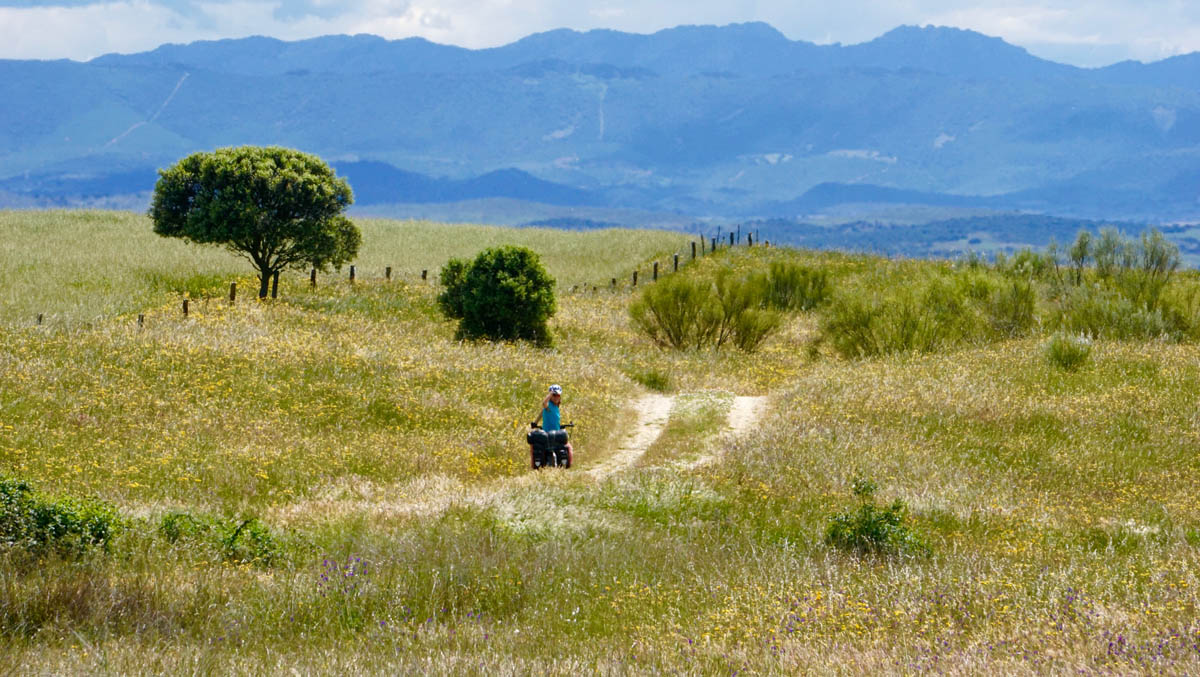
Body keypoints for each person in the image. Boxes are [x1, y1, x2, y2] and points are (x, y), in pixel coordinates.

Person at [531, 384, 572, 461]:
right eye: (554, 395)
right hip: (547, 432)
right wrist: (550, 394)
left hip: (556, 431)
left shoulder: (555, 406)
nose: (556, 397)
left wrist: (535, 423)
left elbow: (541, 413)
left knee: (565, 446)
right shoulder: (549, 405)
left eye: (558, 395)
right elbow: (544, 403)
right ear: (550, 396)